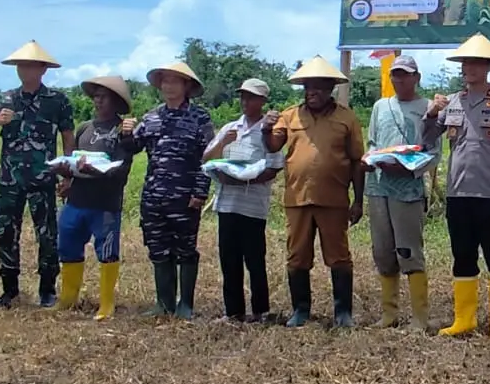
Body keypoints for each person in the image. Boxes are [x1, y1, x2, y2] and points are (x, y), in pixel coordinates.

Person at [423, 34, 490, 339]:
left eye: (475, 62)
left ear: (488, 66)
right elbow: (428, 140)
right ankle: (463, 320)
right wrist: (429, 114)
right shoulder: (451, 102)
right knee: (462, 254)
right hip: (458, 192)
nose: (468, 67)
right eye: (464, 62)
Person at [267, 56, 366, 329]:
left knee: (339, 257)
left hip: (333, 199)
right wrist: (267, 127)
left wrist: (358, 201)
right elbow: (274, 146)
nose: (313, 92)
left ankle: (343, 312)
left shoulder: (346, 118)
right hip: (297, 199)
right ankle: (300, 310)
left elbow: (358, 161)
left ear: (331, 88)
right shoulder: (289, 115)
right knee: (297, 256)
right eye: (308, 87)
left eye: (320, 87)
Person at [0, 41, 74, 308]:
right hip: (10, 180)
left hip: (44, 178)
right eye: (21, 65)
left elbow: (67, 136)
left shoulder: (57, 100)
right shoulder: (5, 99)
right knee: (6, 234)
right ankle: (9, 291)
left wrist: (68, 173)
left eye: (30, 65)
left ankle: (47, 290)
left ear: (43, 69)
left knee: (47, 235)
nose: (24, 70)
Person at [122, 62, 214, 320]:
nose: (168, 85)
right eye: (164, 81)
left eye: (174, 81)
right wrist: (126, 134)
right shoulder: (151, 117)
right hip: (154, 196)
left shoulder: (200, 118)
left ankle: (185, 304)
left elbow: (207, 158)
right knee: (158, 250)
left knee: (185, 250)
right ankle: (164, 304)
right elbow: (133, 148)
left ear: (186, 86)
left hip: (185, 197)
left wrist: (200, 192)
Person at [203, 79, 285, 324]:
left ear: (262, 101)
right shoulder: (230, 127)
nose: (245, 102)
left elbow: (274, 167)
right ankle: (233, 311)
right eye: (243, 97)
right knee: (229, 260)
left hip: (252, 205)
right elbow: (207, 158)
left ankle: (261, 311)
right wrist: (223, 143)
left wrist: (246, 180)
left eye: (251, 97)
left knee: (254, 259)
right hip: (227, 203)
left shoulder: (268, 131)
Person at [52, 76, 135, 320]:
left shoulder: (123, 131)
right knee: (67, 246)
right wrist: (66, 174)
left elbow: (122, 170)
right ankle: (68, 299)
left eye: (104, 96)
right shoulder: (84, 128)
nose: (98, 101)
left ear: (116, 101)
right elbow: (73, 160)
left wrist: (95, 170)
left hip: (105, 203)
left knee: (107, 251)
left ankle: (106, 304)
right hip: (76, 200)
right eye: (96, 96)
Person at [364, 55, 436, 332]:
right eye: (395, 75)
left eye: (405, 75)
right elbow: (372, 142)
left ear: (417, 78)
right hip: (378, 186)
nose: (400, 79)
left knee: (409, 250)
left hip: (408, 188)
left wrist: (411, 171)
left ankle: (420, 317)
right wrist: (369, 159)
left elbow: (432, 152)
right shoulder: (380, 106)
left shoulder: (427, 108)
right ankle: (389, 314)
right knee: (382, 251)